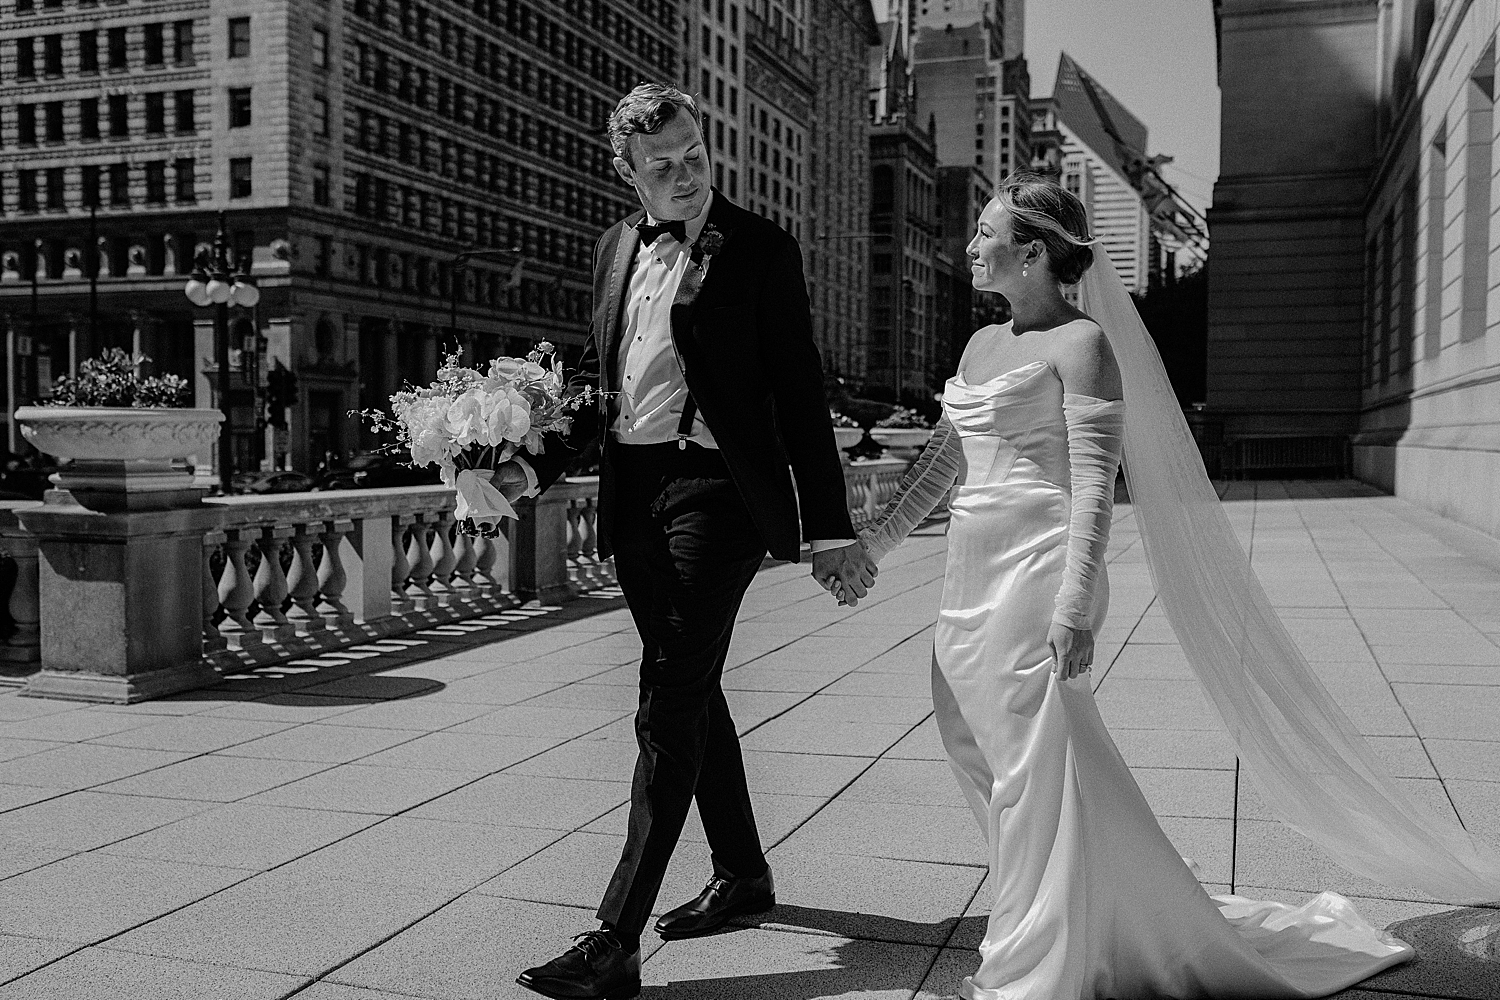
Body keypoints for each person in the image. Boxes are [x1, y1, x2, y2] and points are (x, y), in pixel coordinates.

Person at [845, 173, 1498, 999]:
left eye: (985, 234)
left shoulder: (1083, 347)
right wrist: (874, 542)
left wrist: (1077, 602)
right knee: (972, 741)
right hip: (967, 573)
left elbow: (1093, 486)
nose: (970, 247)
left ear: (1034, 252)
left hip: (1038, 570)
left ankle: (1038, 945)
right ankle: (1060, 899)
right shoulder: (981, 345)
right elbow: (944, 460)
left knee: (1034, 758)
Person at [502, 82, 878, 1000]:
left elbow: (798, 396)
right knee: (693, 686)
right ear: (626, 171)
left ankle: (614, 937)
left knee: (665, 698)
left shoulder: (759, 249)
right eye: (662, 165)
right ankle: (744, 872)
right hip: (634, 495)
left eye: (695, 156)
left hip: (719, 495)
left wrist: (830, 529)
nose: (685, 176)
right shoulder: (614, 248)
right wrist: (523, 470)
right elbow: (600, 391)